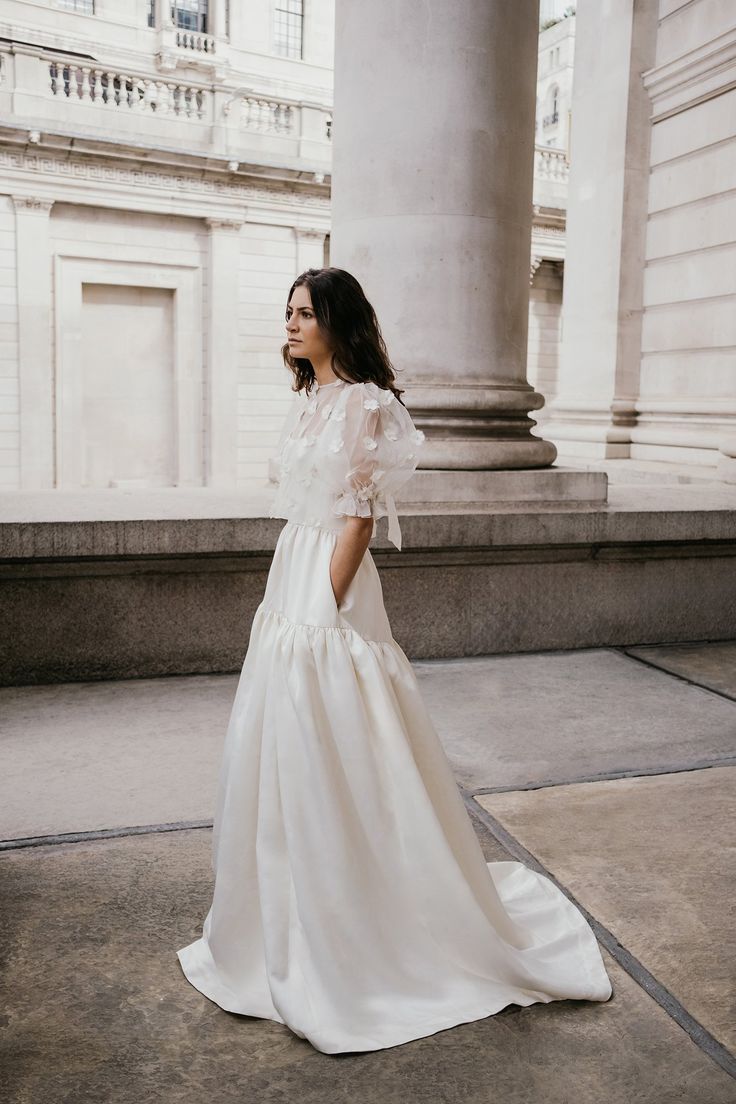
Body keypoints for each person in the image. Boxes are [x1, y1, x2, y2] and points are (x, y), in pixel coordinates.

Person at [176, 267, 613, 1055]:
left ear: (337, 324)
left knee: (339, 723)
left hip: (331, 587)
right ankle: (291, 908)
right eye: (286, 313)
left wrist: (324, 605)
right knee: (285, 736)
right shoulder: (306, 401)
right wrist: (293, 595)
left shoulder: (368, 407)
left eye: (304, 314)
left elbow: (356, 522)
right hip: (291, 573)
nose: (290, 325)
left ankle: (374, 915)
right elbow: (306, 511)